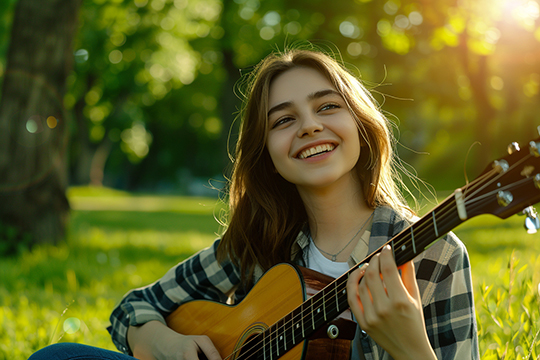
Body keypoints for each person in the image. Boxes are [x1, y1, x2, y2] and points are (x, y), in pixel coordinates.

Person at [30, 46, 479, 360]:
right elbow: (133, 308)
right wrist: (161, 344)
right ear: (266, 152)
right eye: (284, 119)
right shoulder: (257, 242)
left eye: (326, 107)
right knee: (59, 356)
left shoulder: (434, 255)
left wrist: (411, 350)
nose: (308, 127)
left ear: (360, 125)